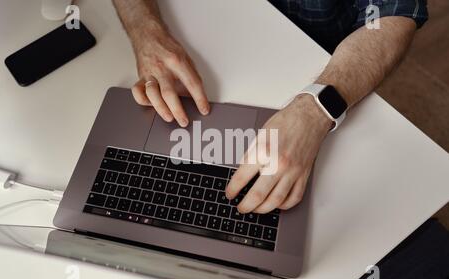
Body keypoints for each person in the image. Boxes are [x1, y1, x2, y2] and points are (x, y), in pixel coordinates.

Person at [112, 0, 428, 214]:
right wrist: (146, 33)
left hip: (312, 69)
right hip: (195, 36)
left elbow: (393, 15)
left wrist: (315, 110)